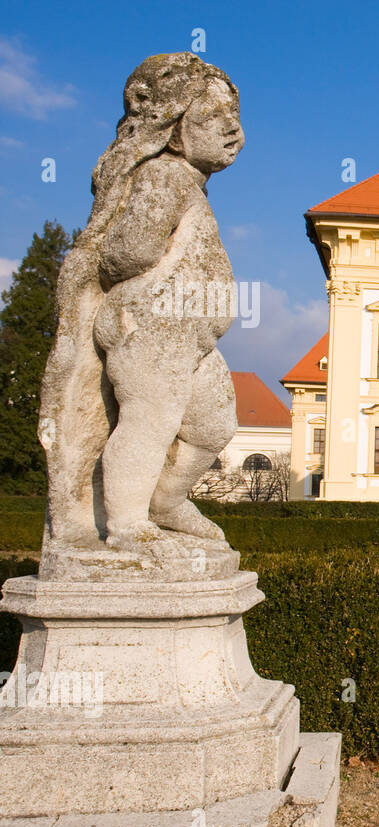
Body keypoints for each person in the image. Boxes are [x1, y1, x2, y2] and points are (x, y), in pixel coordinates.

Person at [40, 53, 243, 559]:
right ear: (173, 127)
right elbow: (127, 250)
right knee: (150, 419)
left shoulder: (187, 184)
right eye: (216, 117)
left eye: (236, 119)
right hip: (150, 327)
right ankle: (127, 523)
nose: (233, 129)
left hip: (191, 337)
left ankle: (165, 501)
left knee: (214, 425)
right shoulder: (163, 178)